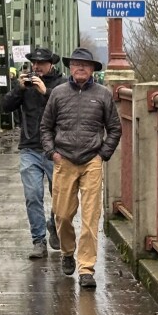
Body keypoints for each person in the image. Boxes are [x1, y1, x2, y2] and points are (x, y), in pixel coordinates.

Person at [40, 47, 122, 290]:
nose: (80, 68)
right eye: (76, 64)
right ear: (70, 67)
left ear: (93, 69)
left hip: (91, 162)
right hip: (63, 160)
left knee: (90, 218)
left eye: (85, 65)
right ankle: (67, 252)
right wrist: (52, 153)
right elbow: (45, 127)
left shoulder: (103, 95)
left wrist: (102, 154)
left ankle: (86, 269)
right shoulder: (58, 94)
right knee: (62, 215)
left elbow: (115, 128)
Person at [1, 47, 67, 259]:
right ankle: (38, 241)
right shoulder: (25, 85)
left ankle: (54, 226)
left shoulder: (61, 84)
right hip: (30, 147)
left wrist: (46, 93)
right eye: (34, 63)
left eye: (41, 63)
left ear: (51, 64)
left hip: (56, 150)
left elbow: (67, 110)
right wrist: (19, 89)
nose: (37, 67)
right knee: (32, 196)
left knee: (60, 197)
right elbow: (5, 107)